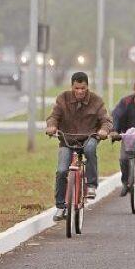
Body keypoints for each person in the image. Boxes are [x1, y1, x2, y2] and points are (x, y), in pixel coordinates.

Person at [46, 72, 113, 221]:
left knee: (90, 149)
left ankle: (91, 185)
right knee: (62, 170)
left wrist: (103, 130)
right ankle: (60, 207)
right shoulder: (62, 99)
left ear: (87, 87)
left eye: (83, 88)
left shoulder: (96, 101)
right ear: (72, 87)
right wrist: (51, 127)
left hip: (89, 137)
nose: (80, 91)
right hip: (67, 140)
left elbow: (106, 121)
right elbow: (53, 117)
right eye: (77, 88)